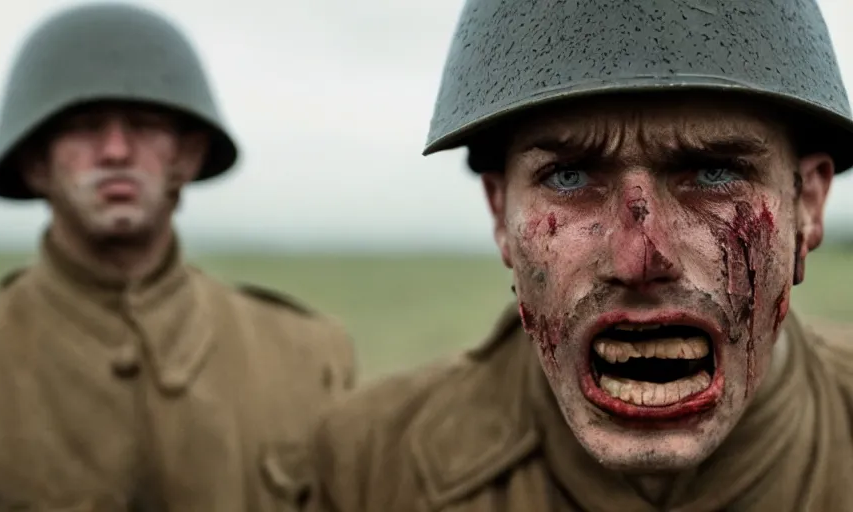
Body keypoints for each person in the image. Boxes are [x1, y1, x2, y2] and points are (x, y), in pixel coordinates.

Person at [307, 0, 853, 510]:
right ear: (501, 214)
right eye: (569, 177)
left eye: (715, 173)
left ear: (807, 203)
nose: (640, 256)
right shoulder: (364, 470)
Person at [0, 3, 355, 510]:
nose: (117, 151)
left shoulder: (307, 355)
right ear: (36, 163)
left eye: (145, 125)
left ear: (187, 156)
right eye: (84, 126)